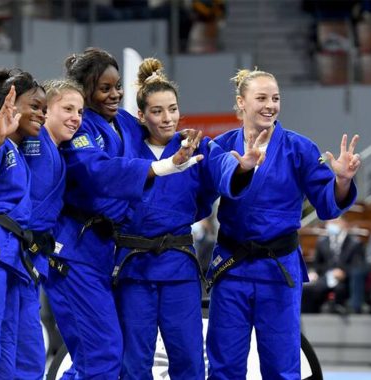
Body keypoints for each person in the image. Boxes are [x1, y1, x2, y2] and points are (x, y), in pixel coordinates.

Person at [43, 47, 201, 379]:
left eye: (118, 87)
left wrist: (181, 137)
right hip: (75, 250)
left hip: (103, 252)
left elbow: (158, 129)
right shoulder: (80, 128)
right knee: (102, 355)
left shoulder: (124, 123)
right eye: (105, 88)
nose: (114, 94)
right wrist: (162, 167)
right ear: (86, 90)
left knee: (101, 358)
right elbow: (98, 171)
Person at [205, 68, 361, 379]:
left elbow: (327, 203)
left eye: (275, 98)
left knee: (282, 364)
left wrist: (342, 181)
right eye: (261, 98)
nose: (270, 105)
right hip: (232, 266)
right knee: (224, 364)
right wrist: (243, 168)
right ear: (241, 102)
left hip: (278, 269)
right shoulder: (221, 145)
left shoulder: (299, 148)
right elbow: (207, 192)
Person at [113, 57, 264, 379]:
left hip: (178, 265)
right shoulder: (124, 148)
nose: (167, 118)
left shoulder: (196, 146)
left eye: (173, 109)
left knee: (188, 357)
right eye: (157, 111)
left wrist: (242, 168)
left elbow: (223, 168)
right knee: (133, 361)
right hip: (133, 266)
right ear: (141, 115)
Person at [0, 76, 87, 378]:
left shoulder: (23, 152)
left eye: (44, 108)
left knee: (21, 357)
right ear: (8, 106)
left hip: (14, 254)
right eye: (34, 107)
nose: (42, 114)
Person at [302, 217, 366, 314]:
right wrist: (313, 272)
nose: (331, 224)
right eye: (329, 222)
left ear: (344, 224)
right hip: (325, 278)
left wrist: (343, 273)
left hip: (345, 280)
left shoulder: (355, 243)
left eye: (334, 222)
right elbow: (317, 264)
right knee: (307, 290)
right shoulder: (322, 242)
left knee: (339, 290)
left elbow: (358, 266)